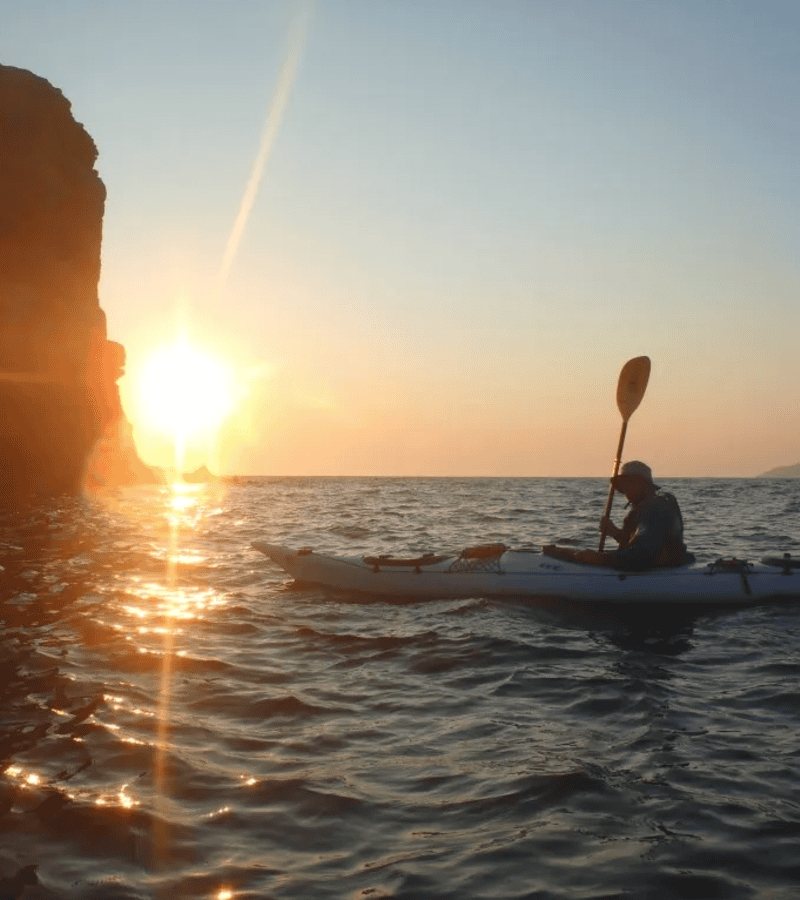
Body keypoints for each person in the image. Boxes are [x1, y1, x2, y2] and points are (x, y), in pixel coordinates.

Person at [543, 461, 693, 571]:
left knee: (585, 555)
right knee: (581, 554)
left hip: (656, 569)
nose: (624, 491)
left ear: (640, 484)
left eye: (627, 484)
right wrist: (614, 533)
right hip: (664, 564)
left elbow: (641, 556)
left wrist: (592, 557)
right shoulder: (656, 504)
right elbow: (644, 542)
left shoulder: (654, 509)